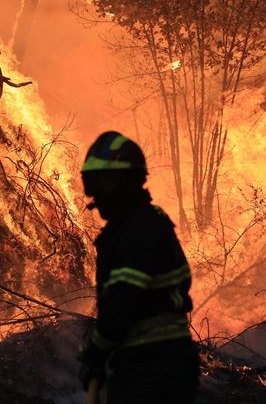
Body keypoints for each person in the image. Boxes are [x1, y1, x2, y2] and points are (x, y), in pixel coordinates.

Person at [78, 131, 199, 403]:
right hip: (146, 364)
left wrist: (96, 352)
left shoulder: (141, 230)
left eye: (107, 182)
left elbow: (123, 302)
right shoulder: (130, 228)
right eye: (94, 183)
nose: (98, 194)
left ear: (131, 182)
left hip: (156, 369)